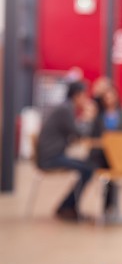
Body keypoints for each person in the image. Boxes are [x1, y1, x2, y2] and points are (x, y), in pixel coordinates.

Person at [36, 81, 96, 221]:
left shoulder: (66, 108)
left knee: (87, 166)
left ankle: (68, 206)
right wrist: (88, 118)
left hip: (53, 154)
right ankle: (67, 207)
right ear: (76, 95)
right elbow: (77, 133)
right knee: (88, 169)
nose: (85, 99)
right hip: (51, 157)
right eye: (84, 96)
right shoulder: (66, 109)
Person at [88, 85, 122, 216]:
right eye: (106, 97)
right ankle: (107, 207)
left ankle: (111, 206)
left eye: (111, 96)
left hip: (117, 154)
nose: (109, 99)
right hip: (101, 154)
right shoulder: (99, 116)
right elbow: (94, 136)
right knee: (104, 173)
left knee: (113, 174)